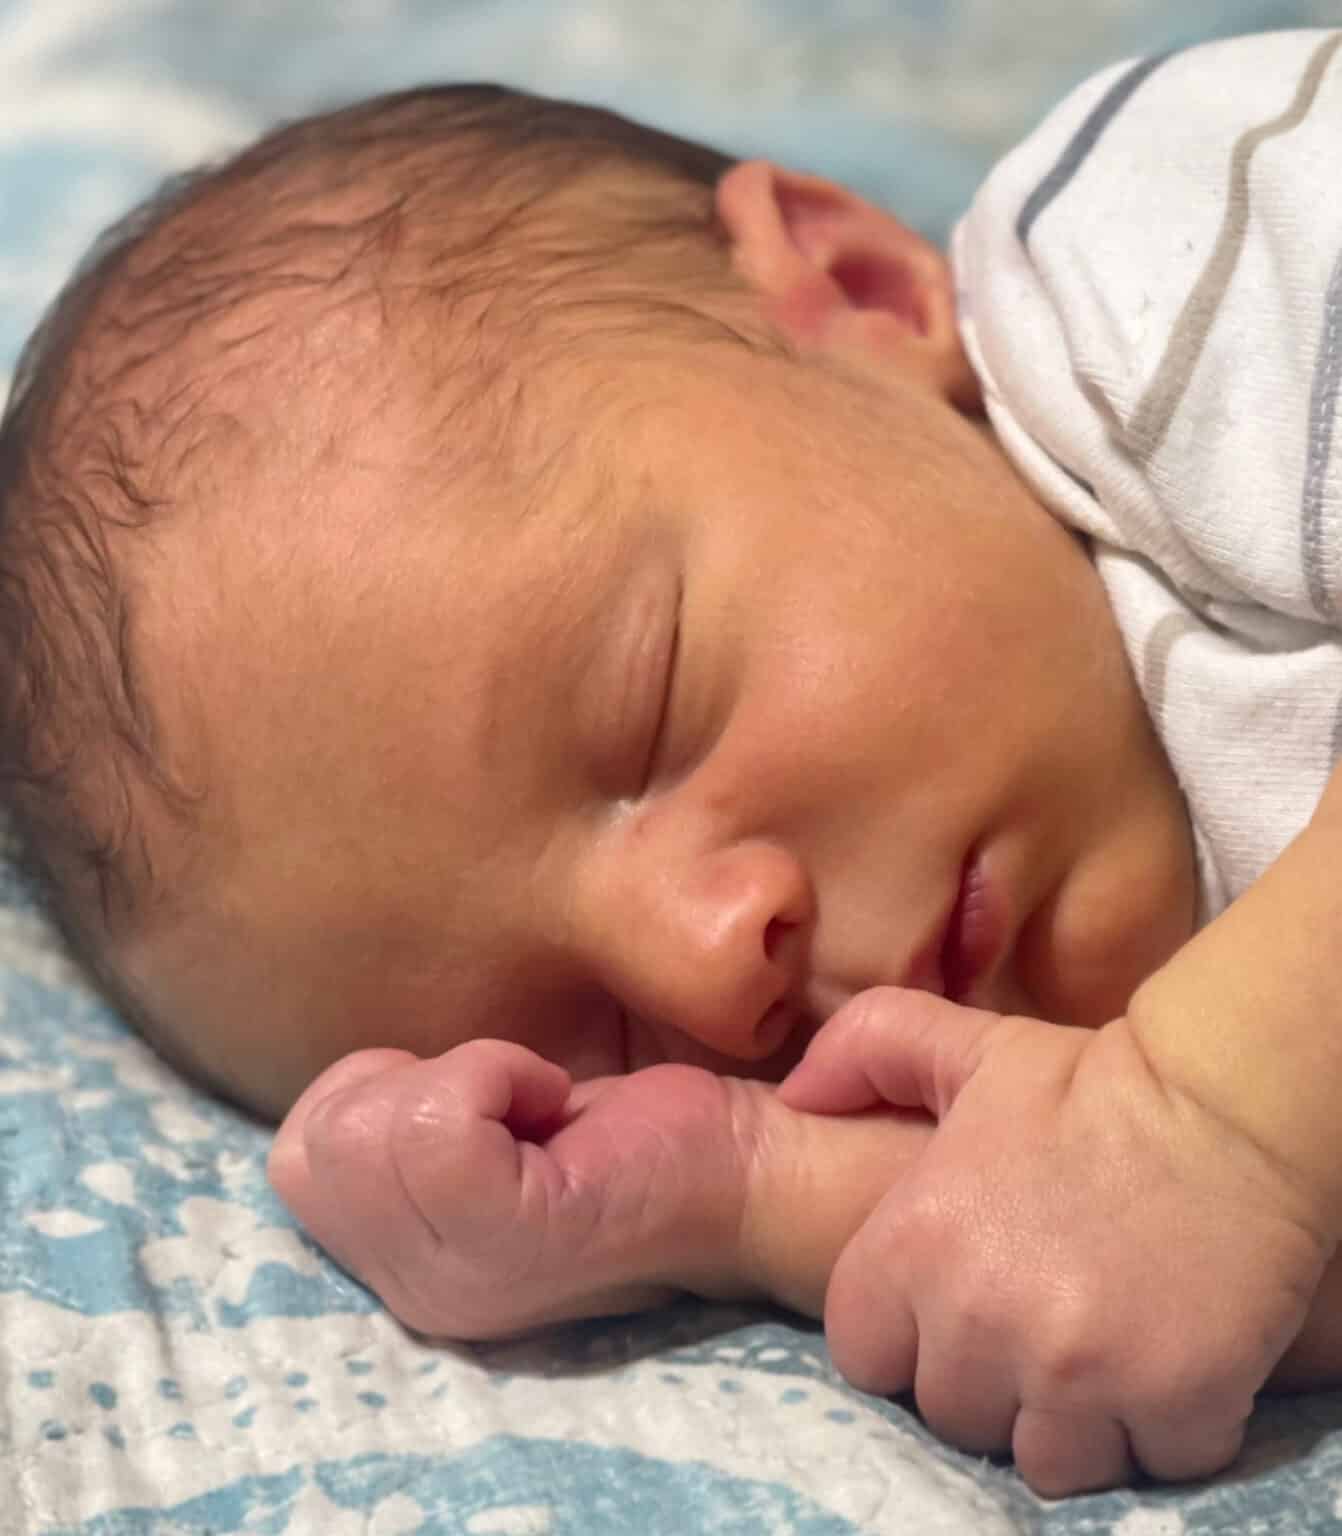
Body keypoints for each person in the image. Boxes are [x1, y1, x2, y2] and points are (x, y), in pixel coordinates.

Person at [2, 24, 1341, 1499]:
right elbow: (1152, 1275)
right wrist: (753, 1193)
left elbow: (1204, 1161)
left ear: (856, 293)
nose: (708, 964)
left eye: (653, 714)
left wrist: (1214, 1120)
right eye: (607, 1036)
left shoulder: (1164, 281)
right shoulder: (1148, 1083)